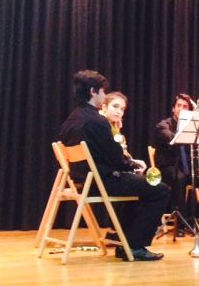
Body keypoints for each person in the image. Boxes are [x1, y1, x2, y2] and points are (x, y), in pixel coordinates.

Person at [58, 70, 169, 261]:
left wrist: (129, 166)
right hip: (101, 181)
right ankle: (134, 246)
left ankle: (125, 242)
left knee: (138, 187)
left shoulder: (71, 120)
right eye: (102, 91)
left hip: (82, 181)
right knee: (160, 189)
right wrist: (133, 165)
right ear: (93, 91)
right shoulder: (97, 121)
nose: (104, 95)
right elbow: (116, 159)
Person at [151, 93, 199, 228]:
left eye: (185, 106)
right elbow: (170, 137)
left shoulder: (194, 127)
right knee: (180, 178)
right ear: (173, 109)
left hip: (188, 169)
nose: (181, 109)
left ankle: (194, 217)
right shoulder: (163, 125)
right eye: (179, 106)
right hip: (168, 168)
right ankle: (182, 223)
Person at [100, 91, 146, 171]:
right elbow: (111, 157)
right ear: (104, 107)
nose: (119, 112)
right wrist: (132, 164)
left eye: (122, 109)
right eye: (115, 106)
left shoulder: (114, 127)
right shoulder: (101, 125)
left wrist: (133, 163)